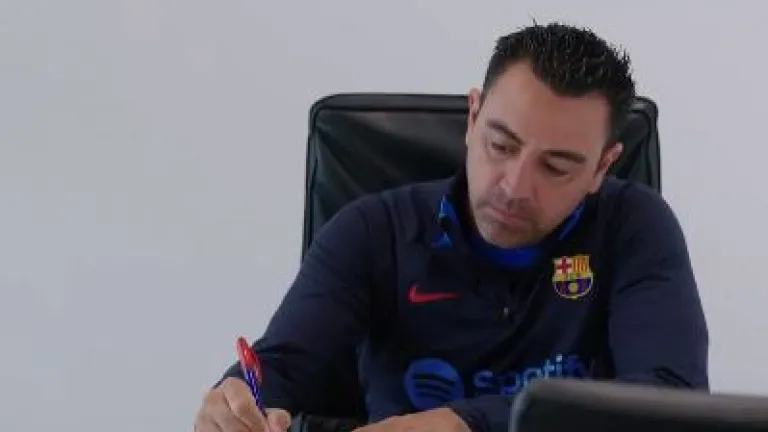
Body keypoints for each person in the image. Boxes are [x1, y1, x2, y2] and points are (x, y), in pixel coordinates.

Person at [194, 22, 709, 432]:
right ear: (473, 116)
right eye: (500, 145)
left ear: (603, 166)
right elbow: (286, 365)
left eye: (556, 167)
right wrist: (233, 404)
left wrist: (467, 421)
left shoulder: (635, 226)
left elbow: (672, 399)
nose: (514, 187)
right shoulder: (371, 230)